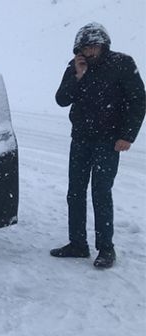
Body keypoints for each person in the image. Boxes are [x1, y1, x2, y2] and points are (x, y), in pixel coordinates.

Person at [51, 22, 145, 268]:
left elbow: (138, 101)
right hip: (80, 139)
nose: (91, 52)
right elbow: (62, 99)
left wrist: (128, 135)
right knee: (75, 192)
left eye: (95, 47)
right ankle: (77, 244)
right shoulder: (75, 67)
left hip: (109, 141)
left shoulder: (123, 64)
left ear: (104, 45)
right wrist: (78, 76)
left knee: (100, 193)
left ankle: (106, 248)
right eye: (86, 47)